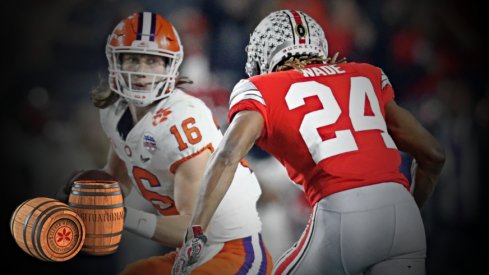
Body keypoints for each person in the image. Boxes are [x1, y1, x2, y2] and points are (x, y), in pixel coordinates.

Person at [173, 9, 445, 275]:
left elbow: (227, 156)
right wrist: (406, 210)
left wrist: (196, 231)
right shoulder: (366, 75)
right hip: (404, 215)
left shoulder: (263, 87)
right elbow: (433, 154)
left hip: (343, 213)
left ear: (264, 52)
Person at [57, 11, 272, 275]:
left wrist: (119, 215)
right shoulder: (114, 111)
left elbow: (192, 228)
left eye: (152, 61)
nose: (142, 71)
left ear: (170, 66)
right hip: (190, 253)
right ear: (116, 62)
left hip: (230, 248)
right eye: (133, 59)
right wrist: (85, 193)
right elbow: (117, 179)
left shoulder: (181, 121)